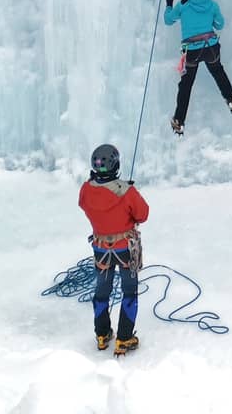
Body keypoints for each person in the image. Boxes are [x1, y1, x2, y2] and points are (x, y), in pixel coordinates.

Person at [79, 143, 150, 355]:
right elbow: (143, 215)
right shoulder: (127, 192)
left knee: (102, 292)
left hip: (101, 249)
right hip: (125, 249)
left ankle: (102, 335)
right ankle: (124, 339)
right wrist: (124, 192)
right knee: (129, 292)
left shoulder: (86, 190)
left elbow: (84, 204)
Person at [165, 0, 232, 134]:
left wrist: (169, 3)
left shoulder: (184, 5)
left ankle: (179, 121)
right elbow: (220, 25)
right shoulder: (212, 5)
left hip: (191, 51)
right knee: (218, 72)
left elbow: (168, 20)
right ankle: (231, 99)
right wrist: (209, 19)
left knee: (186, 85)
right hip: (211, 48)